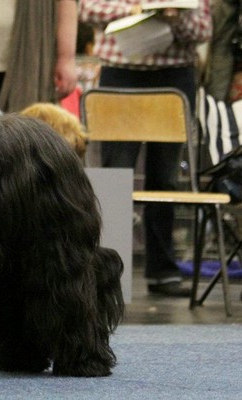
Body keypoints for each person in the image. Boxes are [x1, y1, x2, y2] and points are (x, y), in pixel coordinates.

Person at [79, 0, 212, 297]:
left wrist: (173, 17)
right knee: (114, 178)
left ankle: (163, 271)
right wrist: (138, 9)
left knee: (165, 180)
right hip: (120, 72)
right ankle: (106, 274)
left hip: (174, 75)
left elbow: (204, 29)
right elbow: (87, 9)